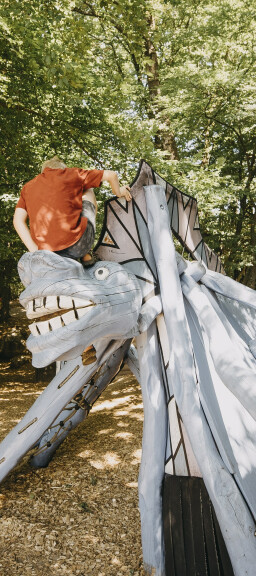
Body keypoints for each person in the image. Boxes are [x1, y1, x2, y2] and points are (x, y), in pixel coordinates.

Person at [13, 155, 132, 266]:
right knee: (88, 189)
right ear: (63, 168)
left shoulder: (28, 187)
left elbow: (18, 221)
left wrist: (35, 251)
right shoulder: (72, 174)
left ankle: (84, 253)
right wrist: (118, 192)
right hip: (78, 245)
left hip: (46, 252)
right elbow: (112, 175)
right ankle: (86, 254)